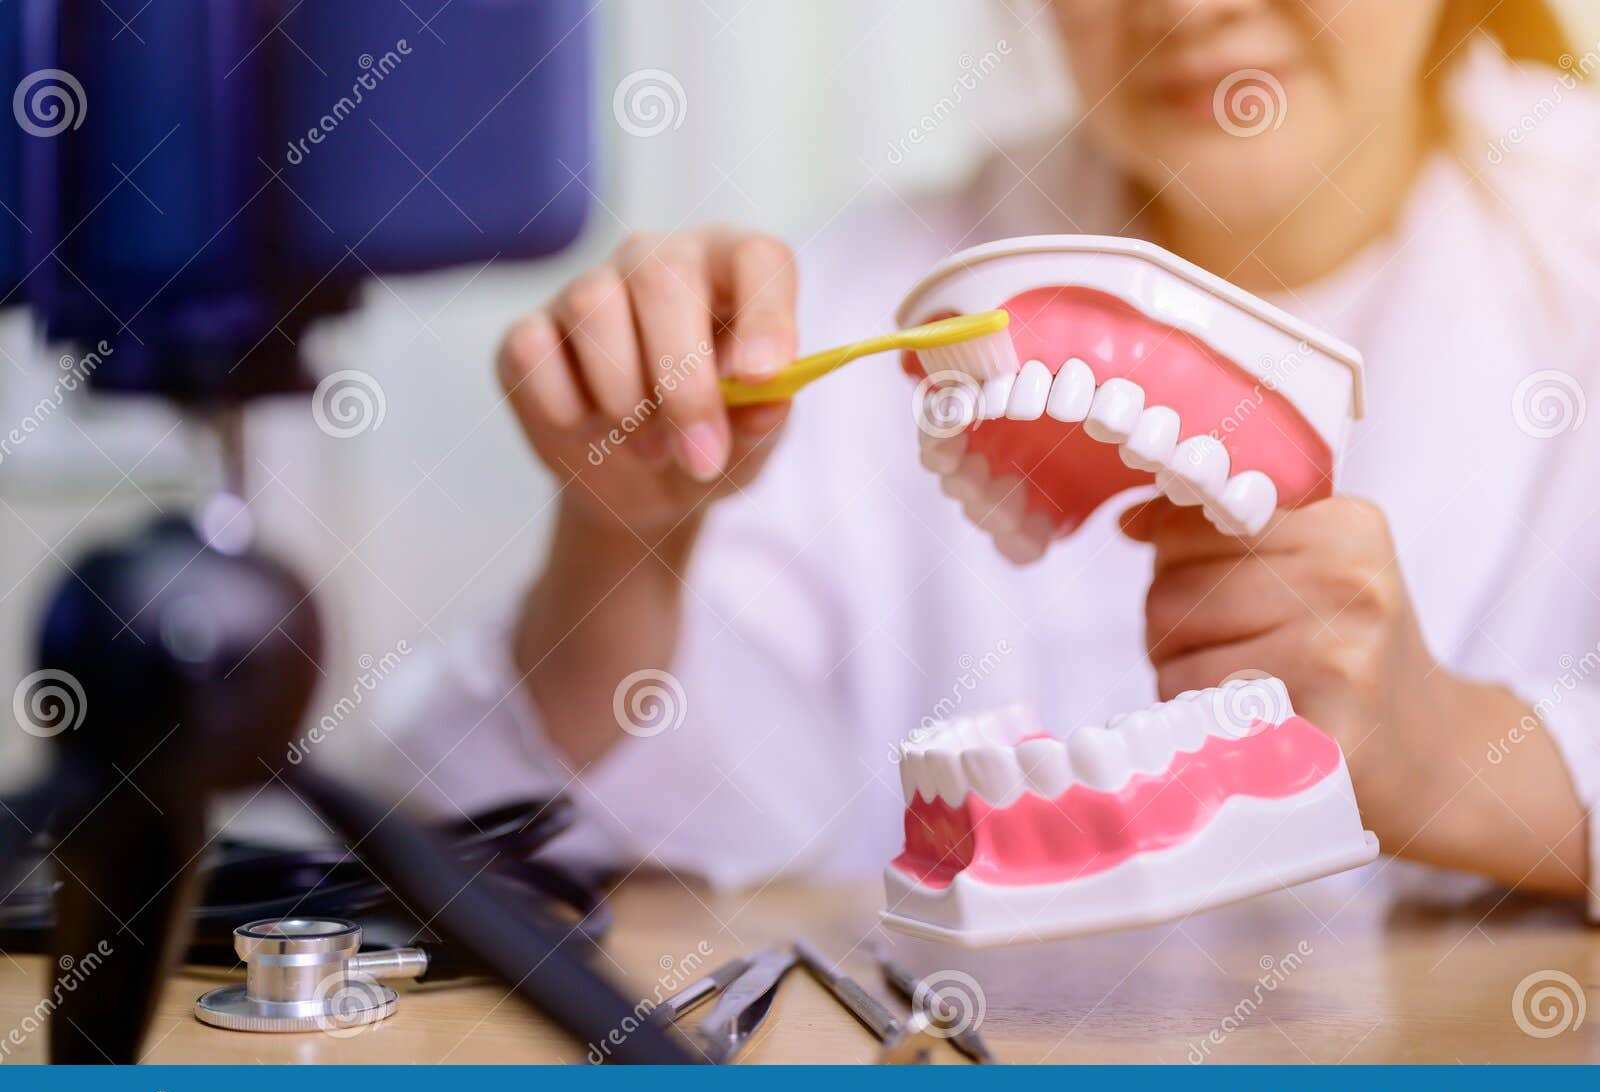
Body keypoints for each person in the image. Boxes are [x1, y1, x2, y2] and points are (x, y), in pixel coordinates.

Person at [381, 0, 1600, 915]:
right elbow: (546, 826)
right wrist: (625, 542)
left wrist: (1459, 759)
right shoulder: (877, 302)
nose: (1184, 11)